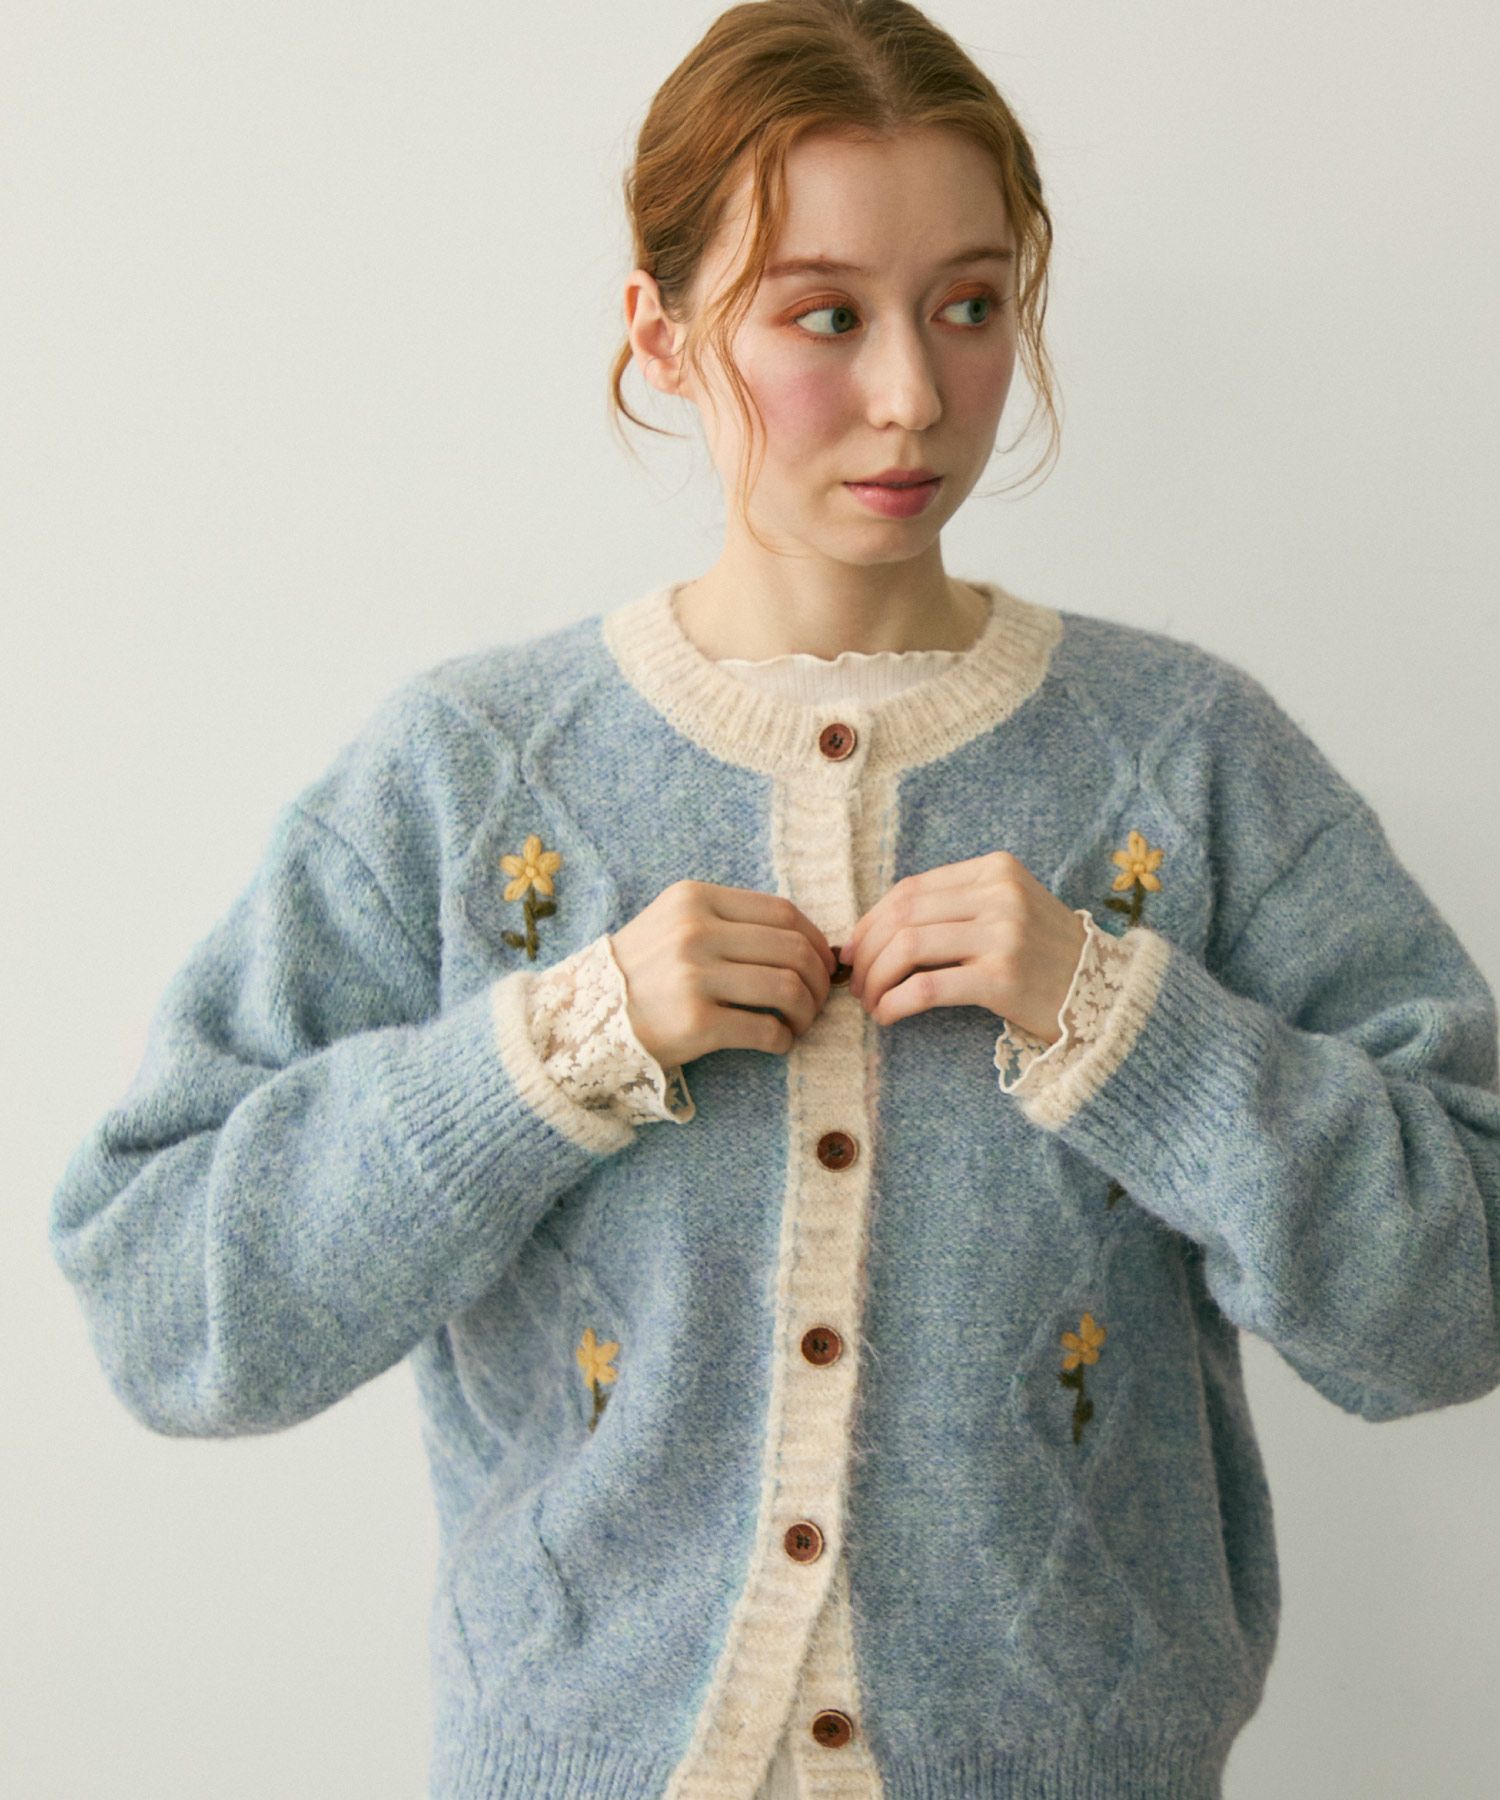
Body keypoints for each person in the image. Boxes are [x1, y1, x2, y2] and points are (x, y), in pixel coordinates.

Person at [47, 2, 1500, 1797]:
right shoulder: (465, 772)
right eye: (825, 315)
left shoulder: (1189, 760)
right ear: (660, 336)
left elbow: (1456, 1306)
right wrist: (554, 1051)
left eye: (970, 306)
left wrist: (1131, 1029)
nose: (914, 395)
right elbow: (166, 1311)